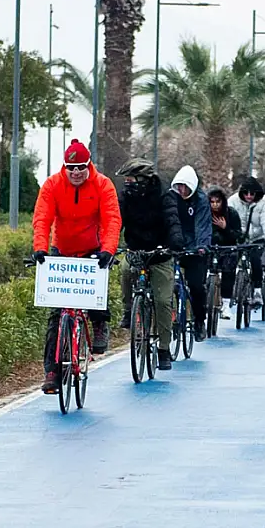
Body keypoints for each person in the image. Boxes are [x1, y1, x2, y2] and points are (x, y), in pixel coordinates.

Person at [32, 139, 122, 394]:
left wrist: (108, 250)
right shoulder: (52, 185)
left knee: (96, 291)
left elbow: (112, 219)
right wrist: (40, 247)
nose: (76, 173)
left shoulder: (103, 185)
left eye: (80, 167)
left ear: (88, 165)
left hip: (93, 248)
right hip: (62, 249)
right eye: (70, 168)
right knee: (56, 313)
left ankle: (100, 325)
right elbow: (42, 218)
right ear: (65, 167)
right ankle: (51, 371)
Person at [115, 158, 184, 371]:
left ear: (144, 180)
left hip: (160, 254)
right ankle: (129, 310)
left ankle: (164, 348)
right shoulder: (126, 197)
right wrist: (106, 244)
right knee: (126, 270)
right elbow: (116, 221)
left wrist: (175, 243)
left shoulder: (165, 195)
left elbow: (172, 221)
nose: (127, 183)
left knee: (163, 301)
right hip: (136, 249)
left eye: (131, 179)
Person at [171, 165, 211, 342]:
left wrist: (201, 246)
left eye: (184, 186)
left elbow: (202, 225)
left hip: (195, 248)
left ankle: (200, 321)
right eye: (178, 186)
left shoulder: (201, 201)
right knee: (169, 285)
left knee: (196, 286)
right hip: (176, 244)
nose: (181, 190)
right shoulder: (172, 199)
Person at [228, 176, 265, 308]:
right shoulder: (233, 201)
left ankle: (257, 291)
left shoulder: (264, 202)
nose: (249, 196)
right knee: (230, 261)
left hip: (257, 238)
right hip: (239, 237)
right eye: (246, 193)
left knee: (256, 260)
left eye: (252, 193)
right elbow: (226, 218)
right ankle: (228, 291)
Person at [208, 185, 243, 320]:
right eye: (212, 202)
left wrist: (225, 228)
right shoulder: (205, 214)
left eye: (218, 201)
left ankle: (226, 305)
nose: (215, 205)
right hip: (210, 248)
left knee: (229, 272)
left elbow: (238, 235)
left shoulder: (231, 213)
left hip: (228, 248)